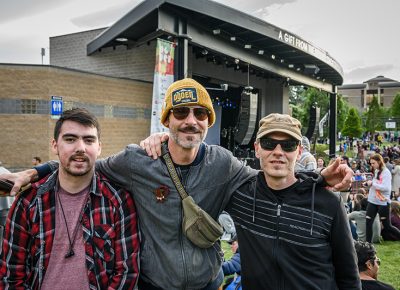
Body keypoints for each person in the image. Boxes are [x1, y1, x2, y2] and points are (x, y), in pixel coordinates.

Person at [0, 79, 354, 289]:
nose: (191, 121)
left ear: (207, 121)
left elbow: (273, 180)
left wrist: (316, 177)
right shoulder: (138, 160)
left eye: (200, 114)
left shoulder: (224, 164)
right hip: (154, 285)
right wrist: (33, 172)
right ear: (167, 119)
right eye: (181, 113)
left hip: (206, 284)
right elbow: (83, 161)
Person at [0, 108, 139, 289]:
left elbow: (127, 273)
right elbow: (11, 276)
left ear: (99, 148)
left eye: (88, 140)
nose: (80, 148)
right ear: (55, 145)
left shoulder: (118, 201)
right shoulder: (28, 202)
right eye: (70, 139)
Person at [223, 113, 361, 289]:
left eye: (288, 145)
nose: (278, 152)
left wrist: (316, 179)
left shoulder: (329, 205)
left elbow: (348, 276)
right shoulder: (241, 196)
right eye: (269, 144)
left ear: (299, 151)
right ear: (257, 148)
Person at [365, 154, 400, 243]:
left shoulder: (386, 172)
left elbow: (386, 188)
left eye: (373, 163)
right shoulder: (377, 170)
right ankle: (367, 245)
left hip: (383, 202)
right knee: (368, 222)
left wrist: (372, 184)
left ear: (379, 162)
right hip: (373, 200)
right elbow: (375, 183)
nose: (371, 165)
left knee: (387, 226)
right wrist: (368, 183)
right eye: (371, 163)